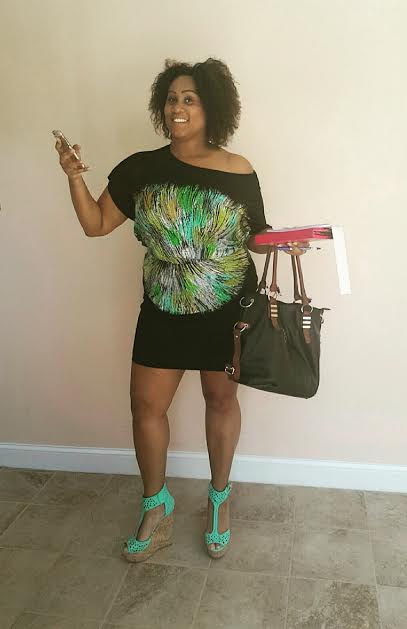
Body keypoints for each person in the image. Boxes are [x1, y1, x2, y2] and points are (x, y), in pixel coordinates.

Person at [55, 57, 274, 563]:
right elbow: (95, 224)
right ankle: (157, 507)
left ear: (211, 108)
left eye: (189, 99)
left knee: (221, 401)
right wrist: (72, 178)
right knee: (145, 406)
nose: (178, 107)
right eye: (172, 98)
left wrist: (287, 243)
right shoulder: (140, 168)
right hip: (163, 306)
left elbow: (256, 234)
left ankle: (219, 499)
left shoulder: (238, 169)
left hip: (227, 307)